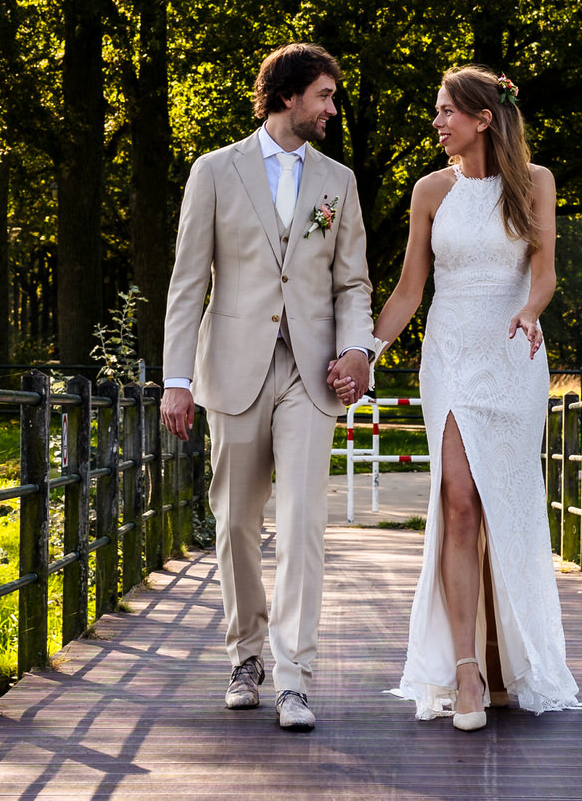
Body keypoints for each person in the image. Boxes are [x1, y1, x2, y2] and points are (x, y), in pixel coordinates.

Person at [159, 42, 377, 732]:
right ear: (288, 96)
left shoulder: (339, 181)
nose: (332, 109)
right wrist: (176, 380)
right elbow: (188, 282)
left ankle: (294, 677)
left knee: (304, 521)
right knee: (234, 522)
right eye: (324, 95)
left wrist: (357, 349)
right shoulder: (214, 170)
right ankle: (244, 656)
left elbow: (353, 283)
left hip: (311, 374)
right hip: (233, 366)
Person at [375, 66, 582, 728]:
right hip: (451, 358)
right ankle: (465, 668)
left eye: (447, 111)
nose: (437, 122)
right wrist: (364, 351)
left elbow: (544, 275)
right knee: (459, 502)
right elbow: (409, 290)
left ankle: (503, 658)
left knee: (503, 509)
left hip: (513, 356)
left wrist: (530, 311)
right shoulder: (430, 190)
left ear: (483, 118)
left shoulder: (536, 183)